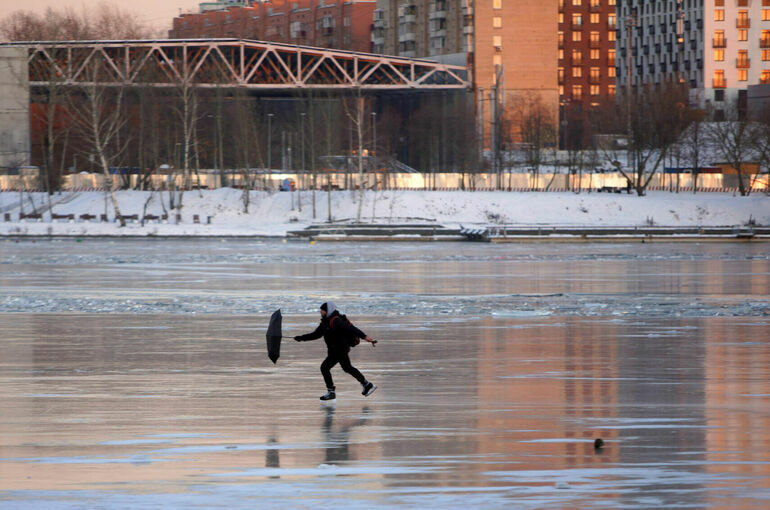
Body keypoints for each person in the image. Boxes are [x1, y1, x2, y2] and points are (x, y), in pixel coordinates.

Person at [294, 302, 377, 401]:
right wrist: (301, 338)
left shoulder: (335, 321)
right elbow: (316, 334)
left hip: (339, 349)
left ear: (327, 311)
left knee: (325, 367)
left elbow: (351, 328)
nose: (320, 312)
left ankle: (331, 392)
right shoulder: (325, 322)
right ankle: (367, 384)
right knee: (347, 368)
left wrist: (365, 337)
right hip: (337, 349)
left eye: (322, 310)